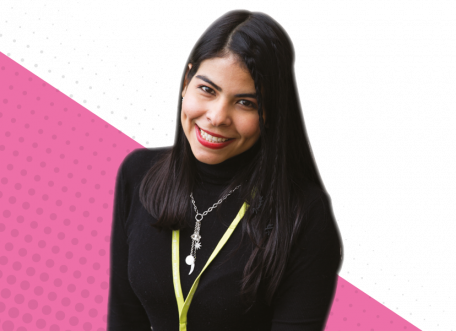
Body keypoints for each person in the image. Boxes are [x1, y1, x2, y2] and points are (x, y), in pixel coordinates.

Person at [107, 9, 345, 331]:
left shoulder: (305, 213)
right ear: (186, 80)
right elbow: (125, 319)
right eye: (207, 89)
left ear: (271, 112)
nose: (218, 117)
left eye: (245, 102)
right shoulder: (137, 174)